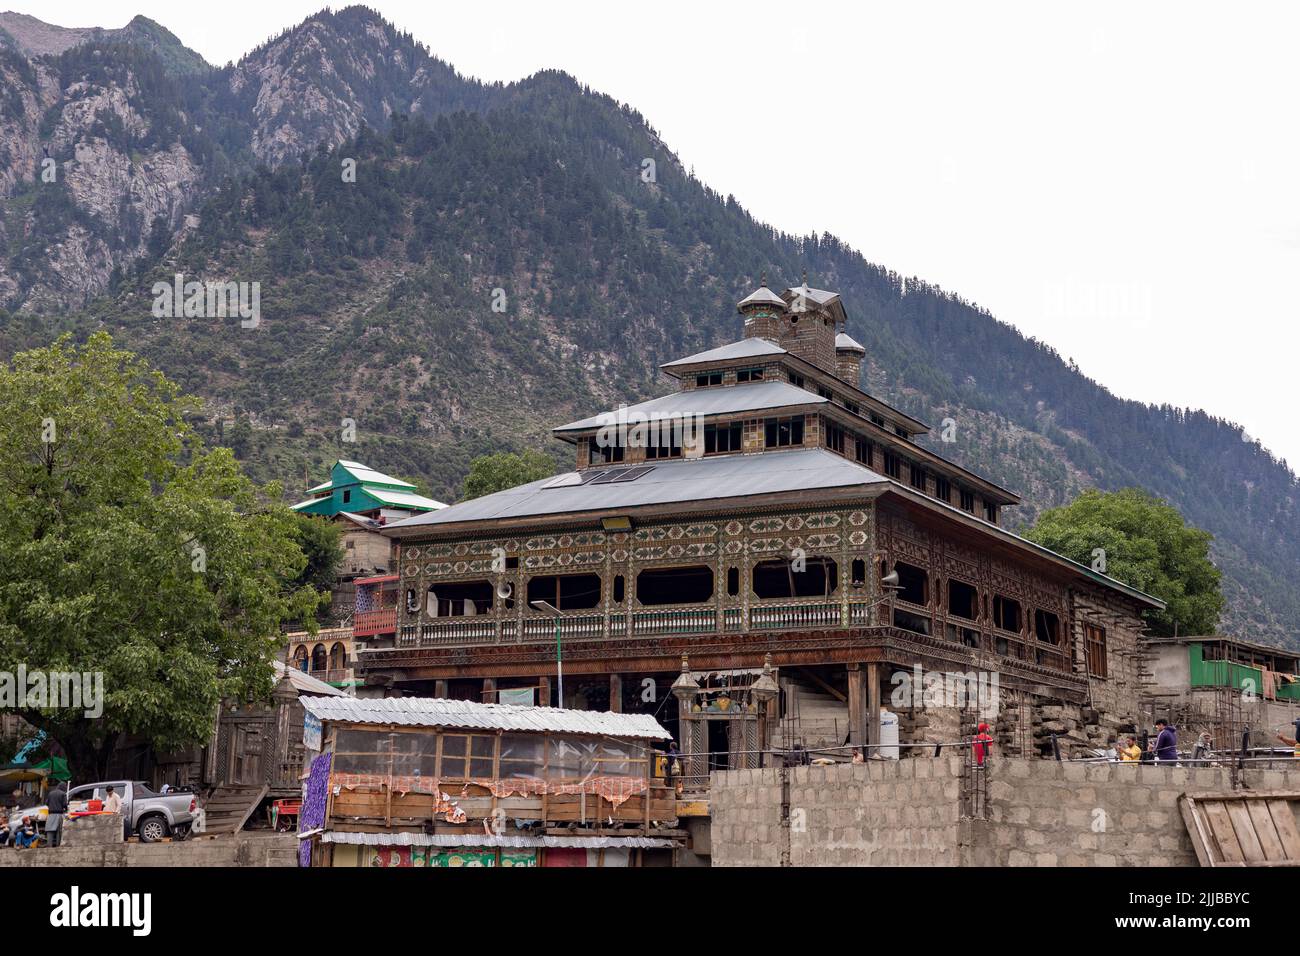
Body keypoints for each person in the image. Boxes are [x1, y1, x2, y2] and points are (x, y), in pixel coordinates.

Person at [45, 780, 67, 848]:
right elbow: (64, 805)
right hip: (59, 814)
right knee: (58, 831)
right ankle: (57, 846)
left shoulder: (50, 793)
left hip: (50, 814)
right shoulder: (63, 794)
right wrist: (65, 809)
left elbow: (47, 803)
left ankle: (49, 845)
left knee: (49, 830)